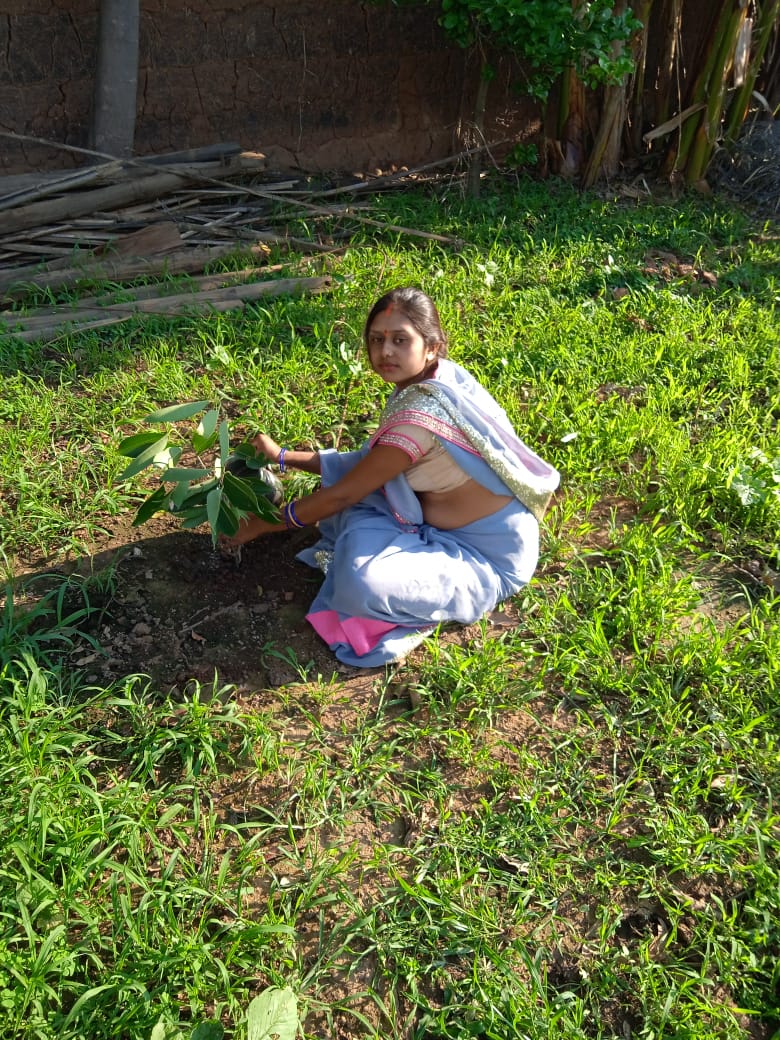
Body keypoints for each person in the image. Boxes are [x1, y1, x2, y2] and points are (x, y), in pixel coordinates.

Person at [223, 287, 560, 667]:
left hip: (485, 557)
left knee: (361, 582)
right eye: (376, 340)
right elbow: (370, 463)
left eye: (401, 340)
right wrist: (282, 457)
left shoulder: (424, 413)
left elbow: (343, 493)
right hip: (432, 523)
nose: (385, 352)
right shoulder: (434, 382)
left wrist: (261, 526)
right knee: (357, 500)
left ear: (432, 346)